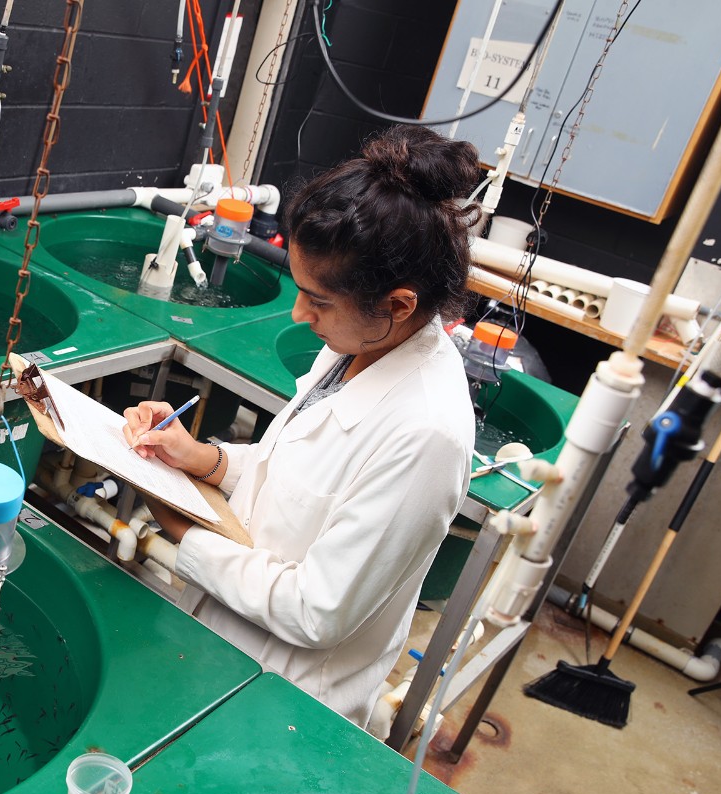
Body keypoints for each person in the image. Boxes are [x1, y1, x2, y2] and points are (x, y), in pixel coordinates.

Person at [122, 125, 481, 728]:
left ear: (399, 304)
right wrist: (201, 459)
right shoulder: (358, 345)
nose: (298, 313)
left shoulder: (428, 436)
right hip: (219, 644)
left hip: (283, 703)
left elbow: (318, 611)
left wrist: (183, 530)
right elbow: (290, 473)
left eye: (318, 300)